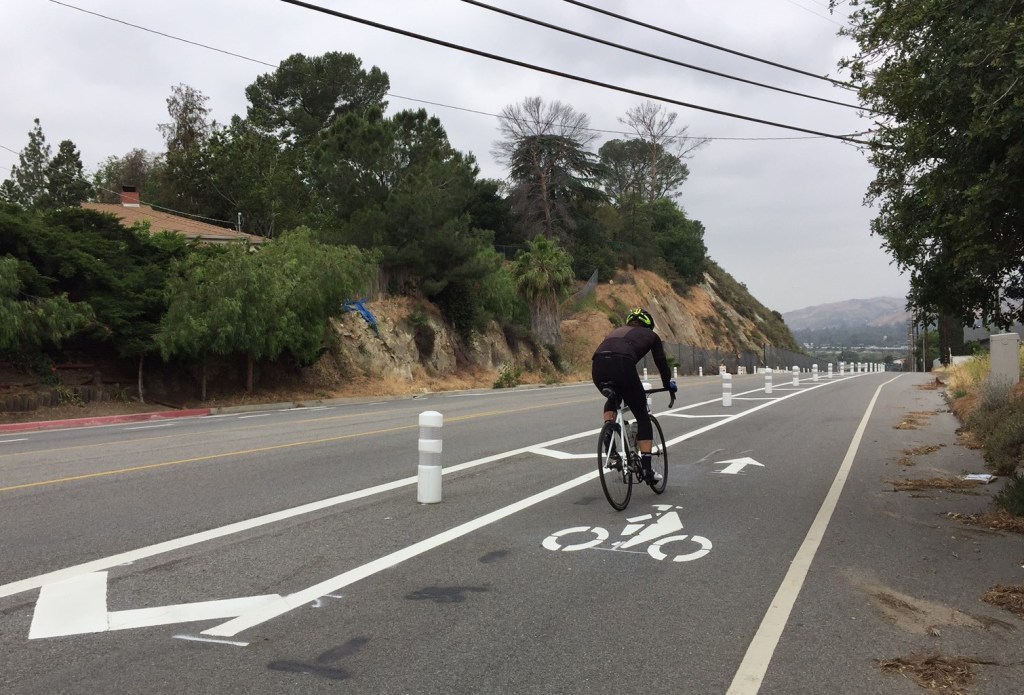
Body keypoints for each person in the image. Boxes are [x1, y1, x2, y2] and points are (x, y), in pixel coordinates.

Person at [591, 308, 677, 484]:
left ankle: (609, 432)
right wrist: (668, 385)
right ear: (648, 325)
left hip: (598, 366)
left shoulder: (616, 332)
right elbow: (661, 362)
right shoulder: (650, 336)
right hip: (622, 365)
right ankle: (647, 469)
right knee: (642, 415)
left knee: (614, 398)